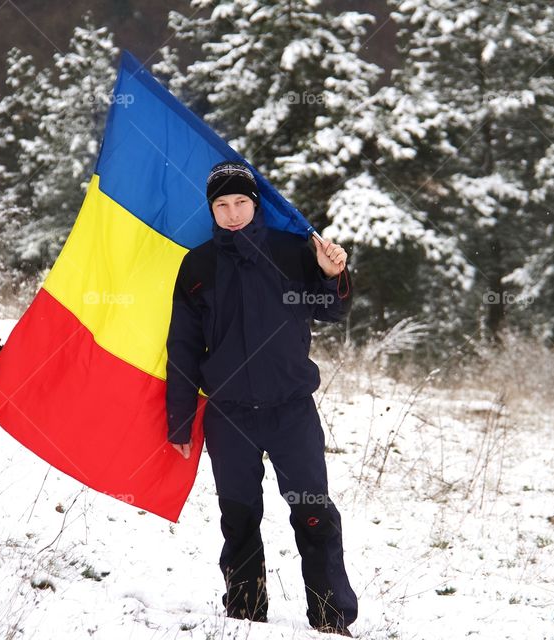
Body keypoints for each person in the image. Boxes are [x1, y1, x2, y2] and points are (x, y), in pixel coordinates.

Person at [165, 160, 357, 636]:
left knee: (313, 513)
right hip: (229, 417)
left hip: (291, 410)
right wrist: (179, 418)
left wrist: (332, 276)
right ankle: (246, 615)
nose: (232, 213)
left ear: (256, 204)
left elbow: (332, 311)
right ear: (212, 210)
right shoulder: (198, 266)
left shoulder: (293, 252)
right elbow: (183, 347)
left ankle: (331, 621)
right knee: (239, 517)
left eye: (241, 203)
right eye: (222, 205)